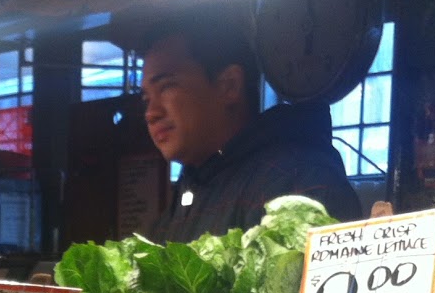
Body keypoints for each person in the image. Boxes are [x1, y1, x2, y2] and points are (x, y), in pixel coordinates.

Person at [141, 16, 361, 241]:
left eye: (166, 86)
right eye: (146, 98)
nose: (151, 113)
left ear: (230, 85)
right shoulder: (193, 185)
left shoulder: (301, 181)